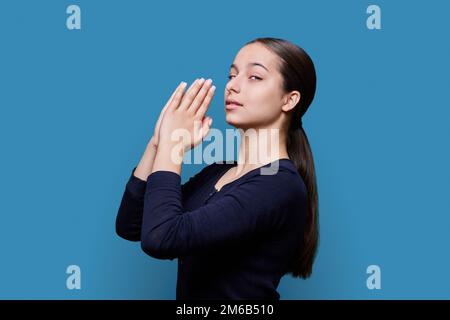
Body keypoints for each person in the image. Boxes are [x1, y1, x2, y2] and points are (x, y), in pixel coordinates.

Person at [115, 37, 319, 300]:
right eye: (231, 75)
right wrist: (158, 142)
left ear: (289, 100)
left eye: (254, 77)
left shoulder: (278, 185)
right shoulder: (218, 171)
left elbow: (161, 238)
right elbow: (131, 224)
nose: (233, 86)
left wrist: (171, 146)